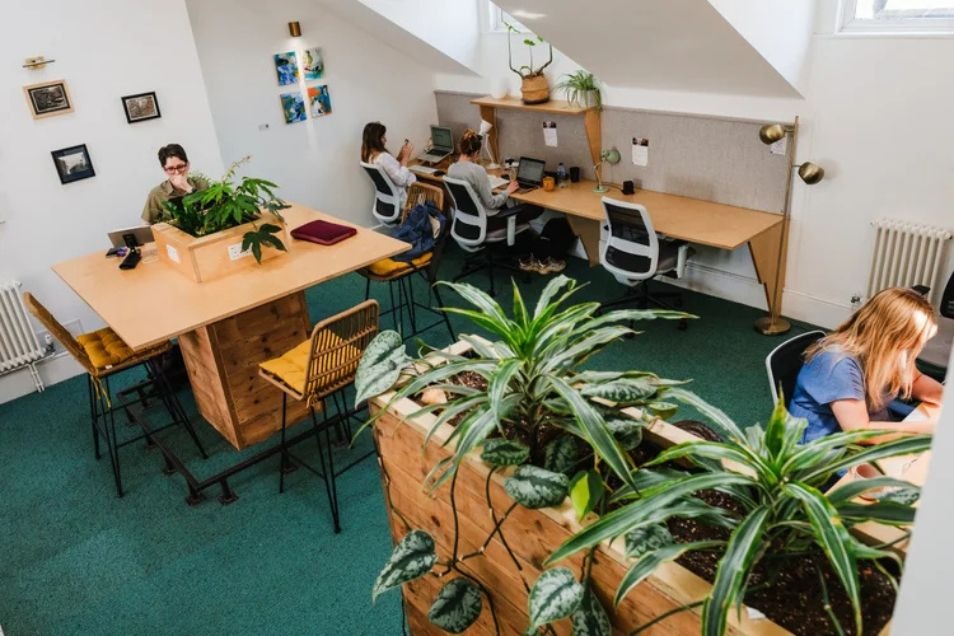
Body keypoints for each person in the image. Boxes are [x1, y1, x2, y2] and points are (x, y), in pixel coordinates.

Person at [790, 287, 943, 445]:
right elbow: (858, 432)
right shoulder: (838, 363)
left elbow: (915, 380)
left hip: (872, 425)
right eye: (912, 341)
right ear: (892, 336)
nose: (914, 348)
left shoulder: (894, 351)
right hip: (827, 446)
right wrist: (924, 429)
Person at [447, 130, 554, 273]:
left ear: (461, 148)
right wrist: (508, 190)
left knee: (506, 205)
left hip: (467, 221)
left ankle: (523, 248)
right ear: (476, 153)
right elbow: (491, 204)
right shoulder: (477, 170)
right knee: (535, 208)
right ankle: (533, 251)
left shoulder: (451, 169)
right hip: (488, 221)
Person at [142, 144, 208, 225]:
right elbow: (146, 224)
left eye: (180, 166)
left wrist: (188, 188)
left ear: (187, 165)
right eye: (171, 168)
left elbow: (212, 211)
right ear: (165, 170)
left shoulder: (202, 184)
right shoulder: (156, 194)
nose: (177, 172)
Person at [361, 122, 416, 191]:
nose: (386, 140)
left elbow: (391, 169)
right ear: (375, 140)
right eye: (383, 137)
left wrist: (400, 156)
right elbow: (401, 180)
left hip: (396, 191)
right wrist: (406, 157)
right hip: (409, 189)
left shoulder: (369, 156)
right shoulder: (383, 157)